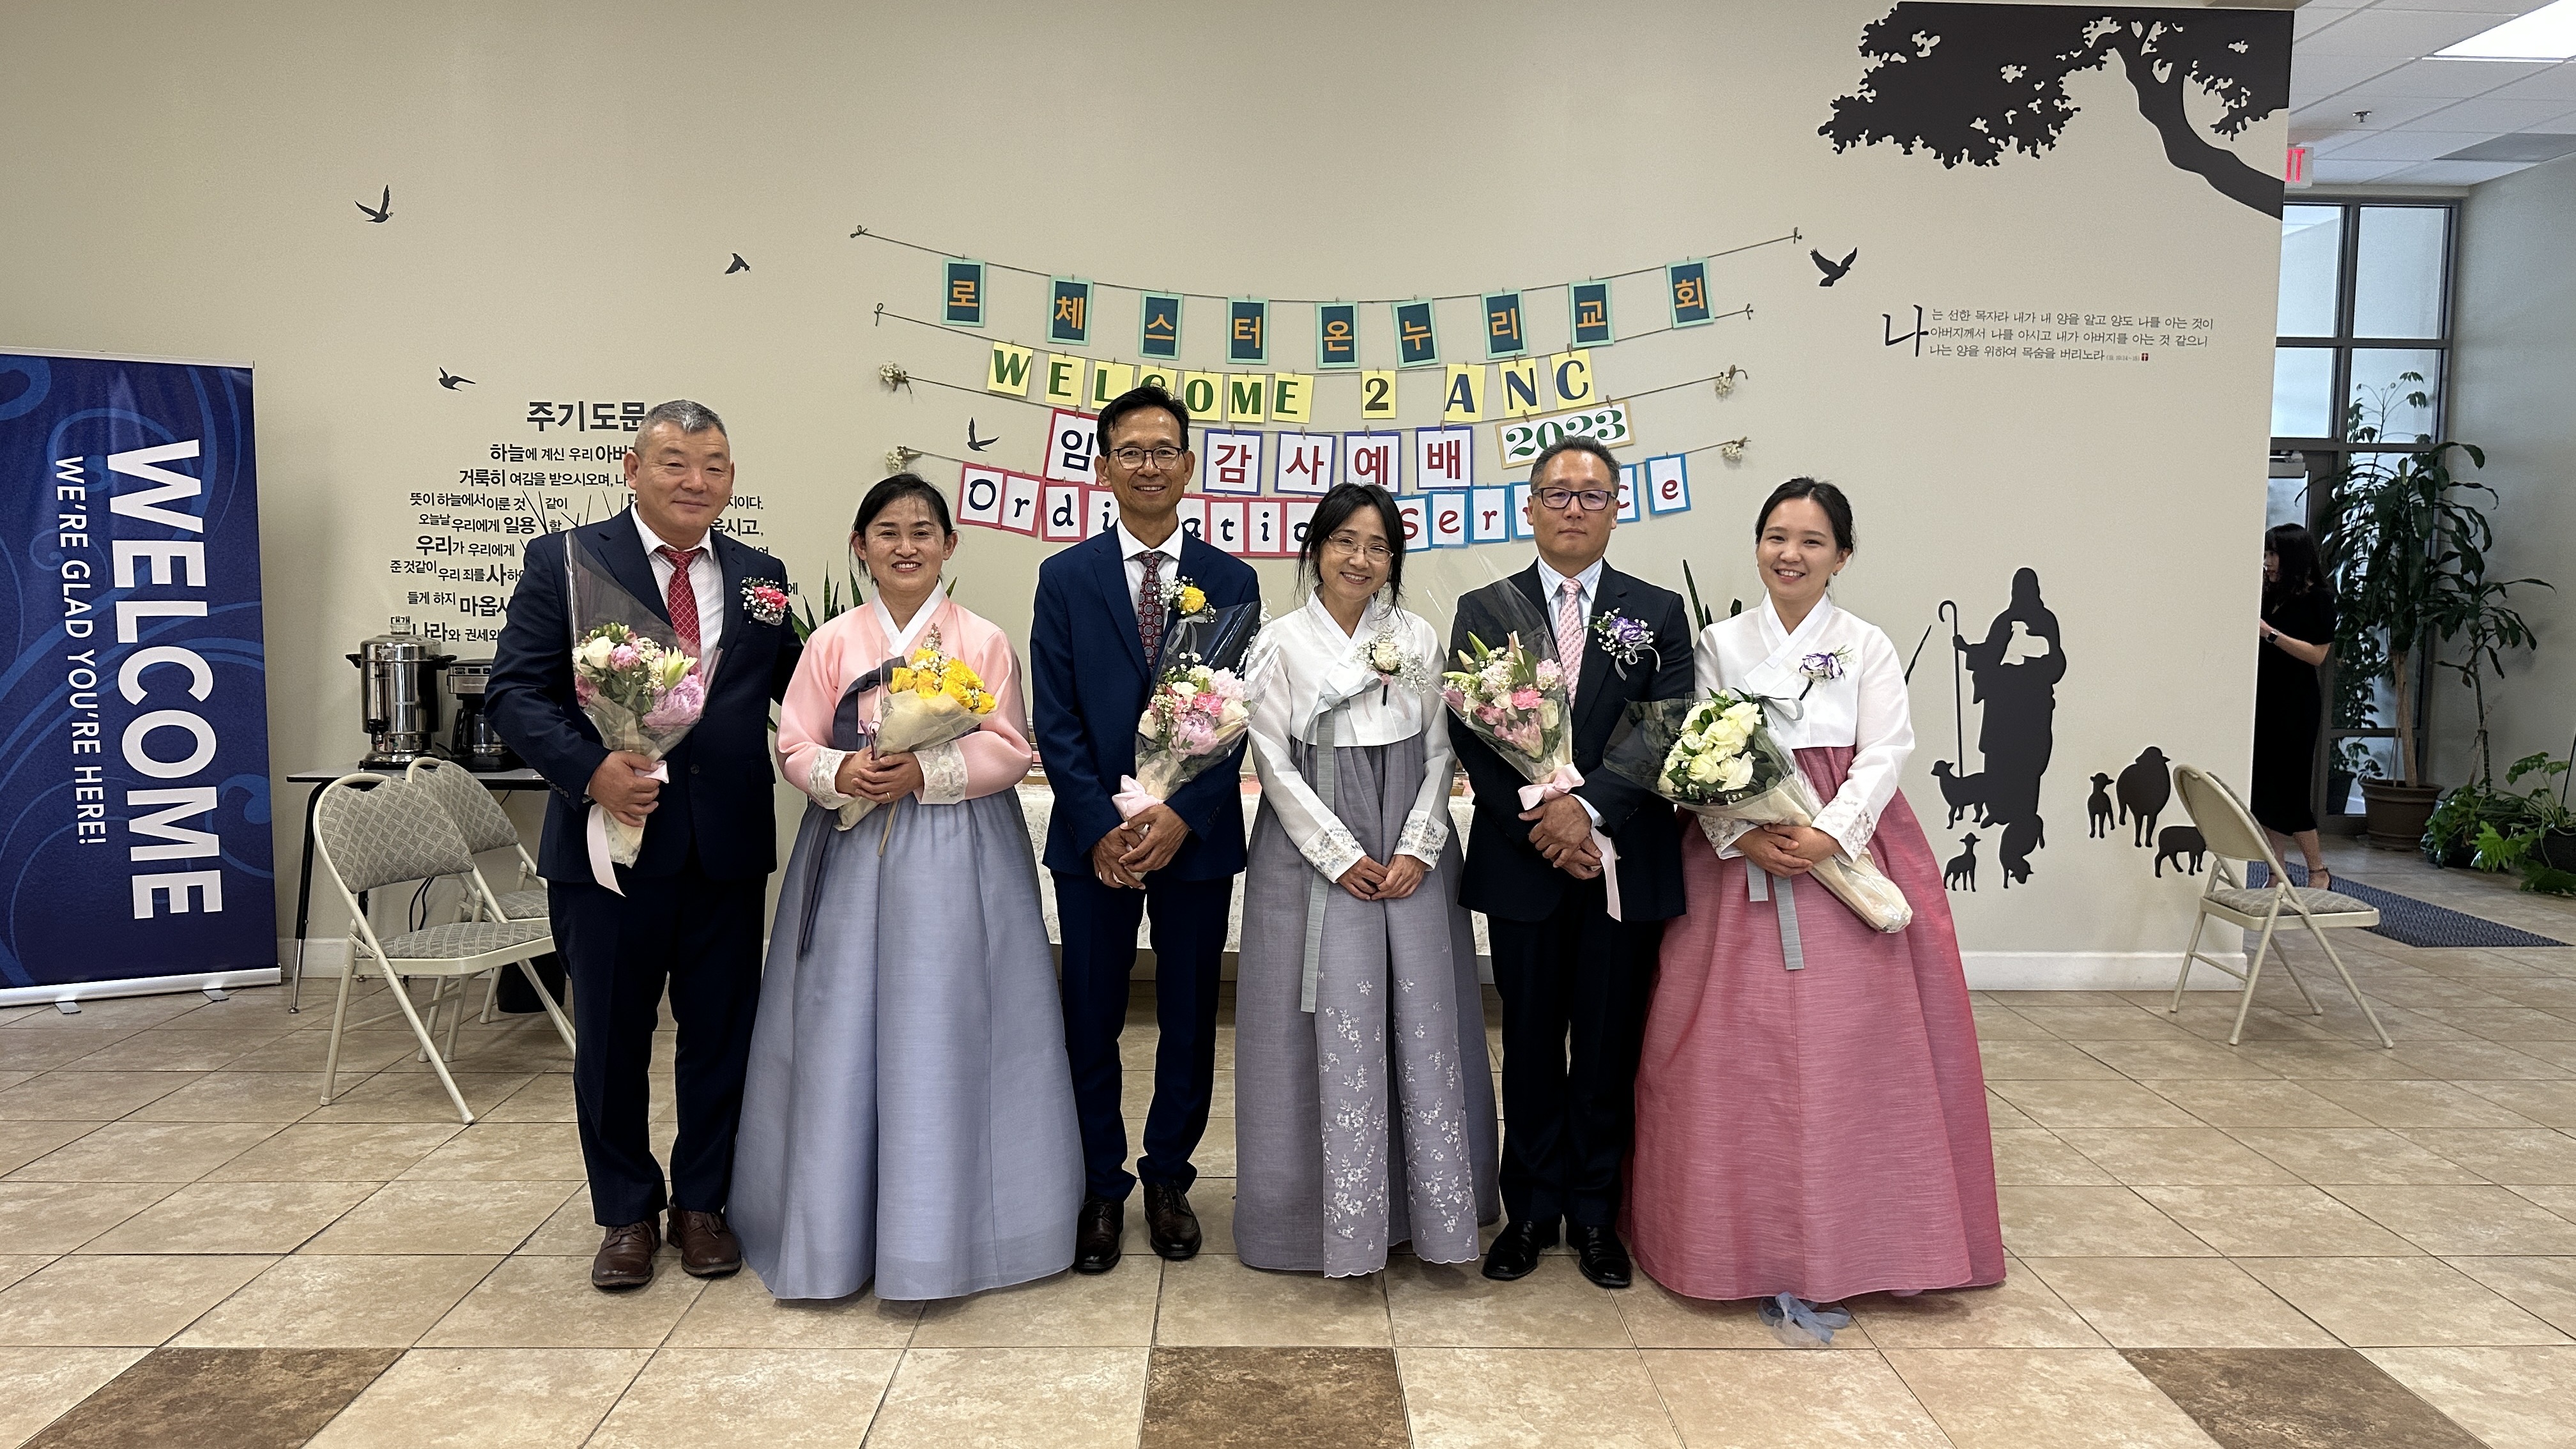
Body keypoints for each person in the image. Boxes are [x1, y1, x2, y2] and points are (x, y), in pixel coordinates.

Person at [1624, 478, 2004, 1319]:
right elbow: (1694, 748)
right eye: (1776, 537)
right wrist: (1741, 833)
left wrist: (1831, 834)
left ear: (1843, 556)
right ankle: (1729, 1242)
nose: (1790, 554)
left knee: (1853, 1053)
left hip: (1845, 845)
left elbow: (1886, 749)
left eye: (1811, 541)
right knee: (1727, 1054)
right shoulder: (1720, 642)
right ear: (1757, 546)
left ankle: (1870, 1239)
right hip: (1740, 855)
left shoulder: (1865, 644)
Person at [731, 475, 1082, 1301]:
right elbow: (794, 744)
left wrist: (926, 770)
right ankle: (834, 1233)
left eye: (923, 531)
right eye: (887, 532)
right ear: (860, 547)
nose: (906, 546)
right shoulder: (831, 643)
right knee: (841, 1025)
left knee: (950, 1024)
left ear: (950, 545)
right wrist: (842, 770)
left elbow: (1010, 746)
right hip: (850, 848)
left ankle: (952, 1233)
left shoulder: (982, 639)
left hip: (958, 850)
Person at [486, 399, 801, 1291]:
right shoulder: (567, 561)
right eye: (674, 462)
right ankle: (625, 1211)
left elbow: (801, 683)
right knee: (613, 1041)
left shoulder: (761, 575)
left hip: (726, 848)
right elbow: (515, 694)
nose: (696, 481)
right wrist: (591, 771)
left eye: (714, 465)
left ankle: (702, 1202)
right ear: (632, 469)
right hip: (609, 847)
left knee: (721, 1038)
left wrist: (901, 713)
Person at [1235, 483, 1499, 1277]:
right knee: (1318, 1020)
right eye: (1345, 541)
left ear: (1394, 560)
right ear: (1316, 549)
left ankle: (1430, 1216)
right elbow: (1270, 758)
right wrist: (1336, 851)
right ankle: (1310, 1224)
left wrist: (1420, 843)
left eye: (1378, 546)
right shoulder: (1279, 641)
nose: (1360, 559)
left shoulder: (1416, 636)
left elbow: (1442, 751)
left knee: (1422, 1013)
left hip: (1409, 840)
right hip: (1313, 848)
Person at [1449, 436, 1691, 1290]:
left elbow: (1666, 725)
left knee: (1606, 1045)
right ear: (1531, 507)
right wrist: (1544, 822)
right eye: (1558, 493)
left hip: (1624, 860)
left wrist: (1586, 814)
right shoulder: (1486, 608)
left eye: (1592, 495)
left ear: (1617, 509)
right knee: (1527, 1044)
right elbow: (1472, 733)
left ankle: (1593, 1213)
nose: (1574, 508)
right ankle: (1530, 1210)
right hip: (1526, 863)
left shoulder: (1656, 610)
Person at [1030, 385, 1261, 1273]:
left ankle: (1168, 1177)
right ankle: (1100, 1184)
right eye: (1131, 451)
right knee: (1089, 1014)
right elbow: (1056, 718)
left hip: (1191, 839)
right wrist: (1099, 825)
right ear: (1104, 468)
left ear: (1189, 465)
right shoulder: (1066, 578)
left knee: (1190, 1016)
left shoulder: (1232, 581)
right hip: (1094, 844)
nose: (1149, 465)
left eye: (1165, 449)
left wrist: (1181, 815)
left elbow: (1238, 718)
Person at [1954, 567, 2066, 885]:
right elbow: (1991, 654)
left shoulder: (2045, 621)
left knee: (2028, 764)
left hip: (2031, 708)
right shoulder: (2004, 621)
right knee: (1999, 759)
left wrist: (2027, 661)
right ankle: (1999, 809)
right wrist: (1968, 649)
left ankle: (2022, 818)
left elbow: (2056, 662)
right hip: (2003, 708)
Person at [2254, 522, 2336, 889]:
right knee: (2263, 790)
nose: (2268, 561)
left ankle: (2317, 870)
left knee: (2291, 789)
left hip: (2296, 704)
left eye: (2273, 554)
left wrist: (2270, 634)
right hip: (2264, 699)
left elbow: (2317, 655)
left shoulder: (2318, 598)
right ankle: (2277, 871)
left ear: (2292, 557)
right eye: (2266, 553)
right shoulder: (2269, 594)